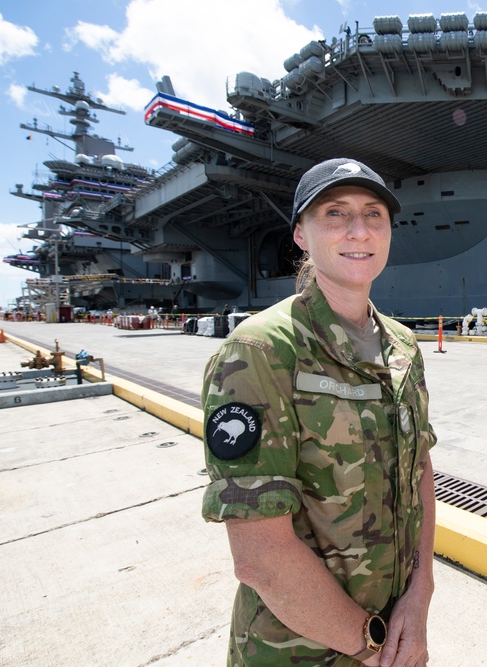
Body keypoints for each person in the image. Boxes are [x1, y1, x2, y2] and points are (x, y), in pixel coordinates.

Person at [201, 158, 437, 667]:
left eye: (374, 214)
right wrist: (371, 648)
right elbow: (262, 558)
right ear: (301, 235)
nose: (359, 230)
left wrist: (420, 597)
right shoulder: (260, 351)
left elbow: (420, 471)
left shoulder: (402, 346)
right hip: (301, 651)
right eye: (335, 213)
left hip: (396, 635)